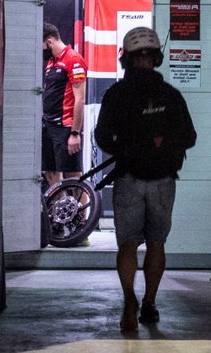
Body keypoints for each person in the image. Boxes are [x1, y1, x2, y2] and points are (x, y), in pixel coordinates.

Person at [94, 26, 196, 333]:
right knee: (156, 243)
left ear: (127, 59)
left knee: (127, 245)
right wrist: (162, 146)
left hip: (127, 178)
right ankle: (150, 303)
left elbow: (102, 137)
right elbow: (189, 137)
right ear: (156, 58)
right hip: (163, 180)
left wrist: (126, 149)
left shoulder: (116, 95)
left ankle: (129, 299)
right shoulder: (172, 96)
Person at [41, 23, 88, 193]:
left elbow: (80, 99)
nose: (42, 52)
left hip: (65, 128)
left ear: (50, 42)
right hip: (49, 125)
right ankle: (58, 215)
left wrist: (75, 133)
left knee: (74, 177)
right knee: (51, 173)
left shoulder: (73, 60)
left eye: (43, 47)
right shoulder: (51, 63)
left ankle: (82, 219)